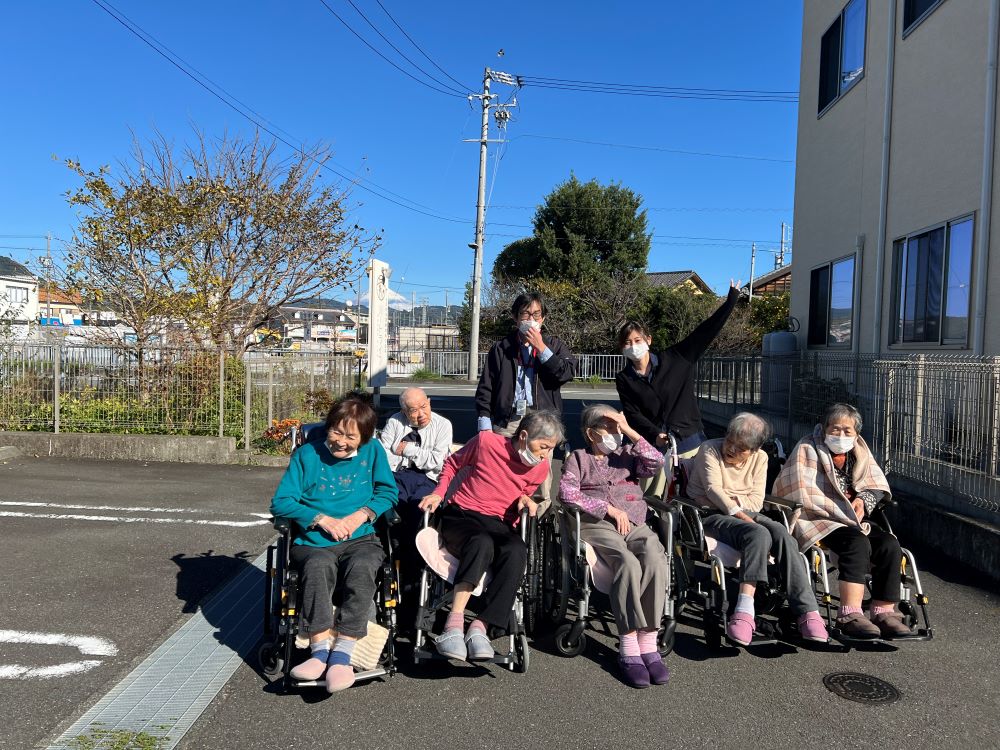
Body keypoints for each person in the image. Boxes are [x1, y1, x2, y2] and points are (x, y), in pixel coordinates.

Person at [270, 392, 398, 692]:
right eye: (336, 432)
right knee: (318, 566)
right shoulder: (306, 456)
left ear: (365, 438)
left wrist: (361, 515)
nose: (341, 441)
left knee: (365, 565)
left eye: (351, 436)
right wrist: (320, 519)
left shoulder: (374, 452)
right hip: (314, 540)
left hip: (361, 538)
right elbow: (281, 502)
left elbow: (387, 493)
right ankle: (318, 651)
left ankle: (342, 653)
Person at [418, 410, 564, 662]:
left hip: (499, 522)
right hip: (462, 514)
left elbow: (523, 492)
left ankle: (480, 627)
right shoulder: (486, 442)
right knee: (481, 542)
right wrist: (439, 493)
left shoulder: (539, 469)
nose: (545, 454)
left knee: (517, 550)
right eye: (543, 446)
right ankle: (453, 625)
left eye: (550, 449)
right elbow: (453, 464)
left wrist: (526, 500)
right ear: (524, 435)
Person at [685, 412, 829, 646]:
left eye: (740, 447)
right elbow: (712, 490)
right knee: (758, 533)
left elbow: (756, 501)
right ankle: (744, 611)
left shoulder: (760, 458)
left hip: (745, 513)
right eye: (730, 440)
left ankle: (807, 612)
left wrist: (734, 503)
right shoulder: (709, 449)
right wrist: (736, 507)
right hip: (709, 515)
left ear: (754, 449)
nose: (730, 448)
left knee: (782, 534)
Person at [773, 403, 913, 640]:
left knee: (889, 544)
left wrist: (864, 500)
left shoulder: (859, 450)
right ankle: (850, 614)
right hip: (818, 516)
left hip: (854, 519)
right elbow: (797, 489)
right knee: (856, 543)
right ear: (824, 428)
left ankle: (883, 611)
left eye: (847, 431)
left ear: (856, 434)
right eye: (835, 429)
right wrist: (838, 509)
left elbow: (875, 483)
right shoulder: (807, 447)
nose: (841, 435)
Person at [558, 404, 671, 689]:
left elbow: (657, 462)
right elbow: (566, 493)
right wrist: (606, 508)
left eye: (616, 428)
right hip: (599, 523)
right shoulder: (578, 458)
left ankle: (649, 640)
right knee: (628, 563)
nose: (614, 434)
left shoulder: (627, 455)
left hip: (635, 521)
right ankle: (629, 645)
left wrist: (630, 430)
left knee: (656, 558)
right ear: (590, 433)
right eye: (608, 428)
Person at [615, 281, 742, 495]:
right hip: (654, 448)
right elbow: (632, 413)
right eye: (627, 343)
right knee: (651, 500)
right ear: (622, 348)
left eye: (638, 340)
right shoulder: (625, 378)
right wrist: (655, 434)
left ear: (649, 340)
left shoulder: (676, 358)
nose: (633, 346)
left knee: (694, 495)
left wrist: (731, 301)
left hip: (689, 441)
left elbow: (705, 331)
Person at [475, 292, 575, 500]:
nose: (531, 320)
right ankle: (502, 513)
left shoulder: (554, 345)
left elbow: (565, 373)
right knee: (502, 469)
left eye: (536, 315)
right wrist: (484, 423)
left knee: (539, 473)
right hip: (508, 416)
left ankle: (538, 513)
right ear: (515, 317)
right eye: (525, 314)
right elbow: (486, 386)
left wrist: (542, 348)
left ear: (544, 318)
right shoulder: (501, 348)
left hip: (542, 417)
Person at [378, 386, 452, 630]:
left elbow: (437, 462)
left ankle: (411, 569)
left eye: (424, 407)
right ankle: (393, 555)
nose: (421, 414)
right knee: (389, 510)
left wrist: (407, 450)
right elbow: (384, 458)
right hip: (396, 478)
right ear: (403, 411)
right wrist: (417, 456)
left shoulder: (443, 425)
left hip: (427, 481)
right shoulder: (393, 422)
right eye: (413, 411)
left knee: (419, 515)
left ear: (429, 402)